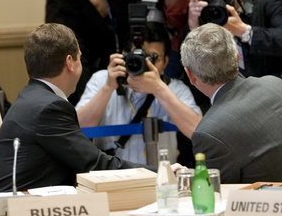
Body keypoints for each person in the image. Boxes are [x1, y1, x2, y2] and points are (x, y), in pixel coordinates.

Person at [0, 23, 147, 192]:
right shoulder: (50, 108)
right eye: (79, 58)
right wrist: (160, 172)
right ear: (70, 63)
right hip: (24, 209)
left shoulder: (31, 98)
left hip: (29, 203)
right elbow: (95, 164)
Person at [180, 23, 282, 184]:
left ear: (190, 75)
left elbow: (217, 197)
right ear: (236, 57)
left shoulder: (209, 132)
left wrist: (183, 179)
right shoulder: (275, 84)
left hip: (274, 205)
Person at [76, 23, 201, 164]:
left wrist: (159, 89)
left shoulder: (175, 89)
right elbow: (77, 129)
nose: (145, 64)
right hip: (111, 176)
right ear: (123, 55)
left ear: (166, 61)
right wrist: (108, 88)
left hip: (160, 178)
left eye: (153, 57)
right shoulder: (102, 80)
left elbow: (199, 132)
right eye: (138, 56)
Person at [45, 0, 137, 105]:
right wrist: (87, 98)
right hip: (93, 77)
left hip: (129, 69)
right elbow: (78, 55)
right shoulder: (65, 5)